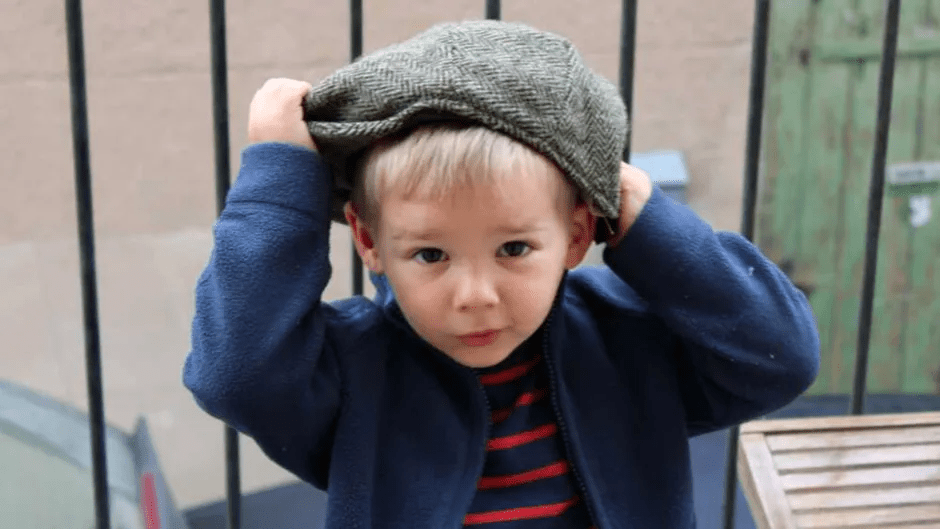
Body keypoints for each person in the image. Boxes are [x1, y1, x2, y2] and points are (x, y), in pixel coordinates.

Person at [184, 20, 820, 528]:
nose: (475, 298)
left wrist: (641, 218)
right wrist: (277, 180)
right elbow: (236, 375)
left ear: (575, 236)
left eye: (514, 248)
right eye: (431, 255)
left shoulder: (624, 340)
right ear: (368, 240)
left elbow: (779, 356)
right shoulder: (356, 367)